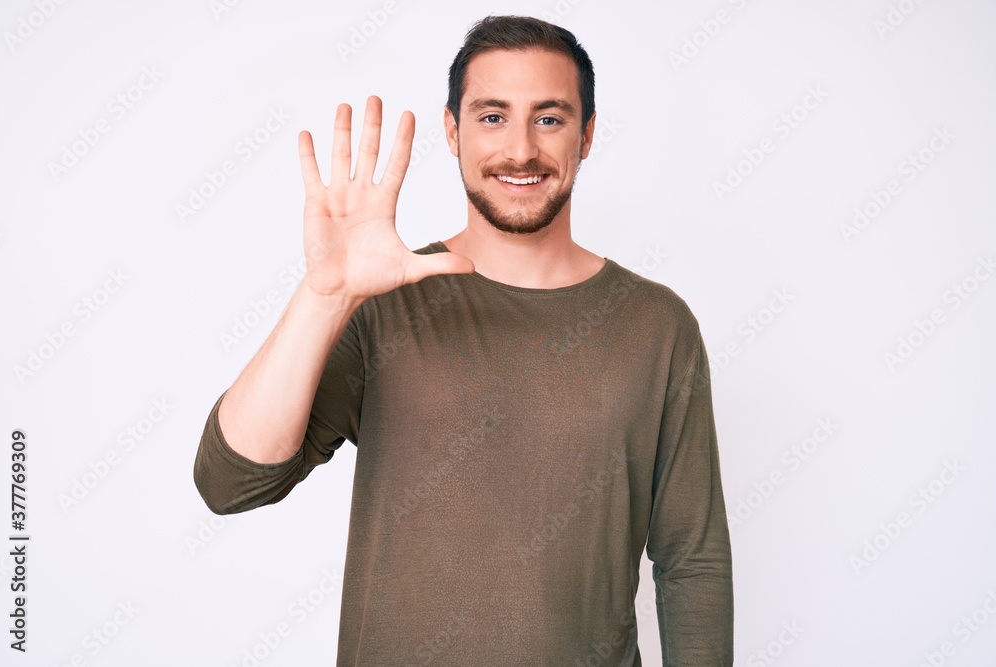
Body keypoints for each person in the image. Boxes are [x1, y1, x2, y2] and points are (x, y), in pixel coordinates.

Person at [194, 14, 733, 666]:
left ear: (587, 134)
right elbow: (230, 482)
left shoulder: (657, 326)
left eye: (550, 118)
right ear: (452, 131)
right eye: (493, 116)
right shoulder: (384, 303)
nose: (521, 149)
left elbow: (692, 558)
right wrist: (325, 297)